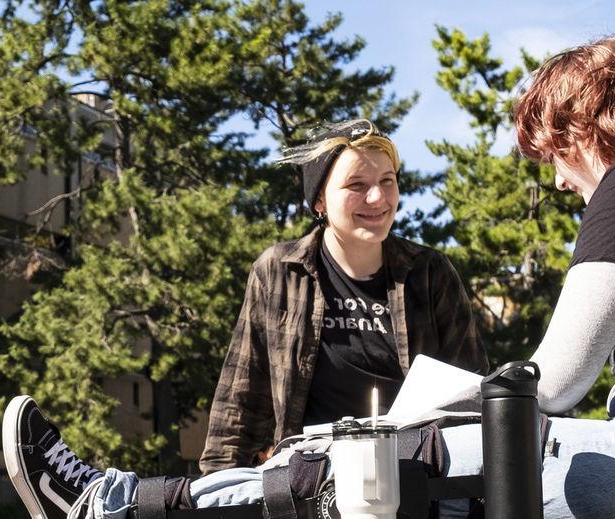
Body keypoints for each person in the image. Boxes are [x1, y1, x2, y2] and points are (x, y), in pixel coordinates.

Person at [0, 37, 615, 519]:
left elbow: (552, 381)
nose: (554, 174)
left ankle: (113, 501)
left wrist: (419, 427)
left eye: (553, 149)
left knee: (387, 462)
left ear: (587, 125)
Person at [199, 119, 488, 474]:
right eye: (357, 185)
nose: (378, 198)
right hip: (313, 478)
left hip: (416, 476)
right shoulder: (278, 272)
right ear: (320, 199)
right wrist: (216, 490)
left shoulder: (430, 273)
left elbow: (473, 395)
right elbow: (239, 405)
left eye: (387, 181)